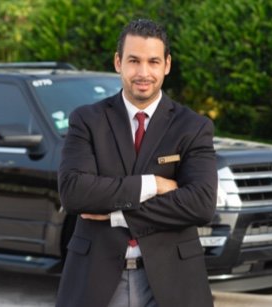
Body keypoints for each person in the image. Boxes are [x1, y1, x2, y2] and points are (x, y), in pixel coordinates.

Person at [56, 19, 217, 307]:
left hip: (173, 282)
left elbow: (201, 204)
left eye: (153, 62)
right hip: (96, 279)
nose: (143, 73)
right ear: (118, 62)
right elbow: (74, 192)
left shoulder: (193, 126)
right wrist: (152, 184)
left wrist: (117, 215)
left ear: (167, 65)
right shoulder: (87, 120)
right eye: (134, 60)